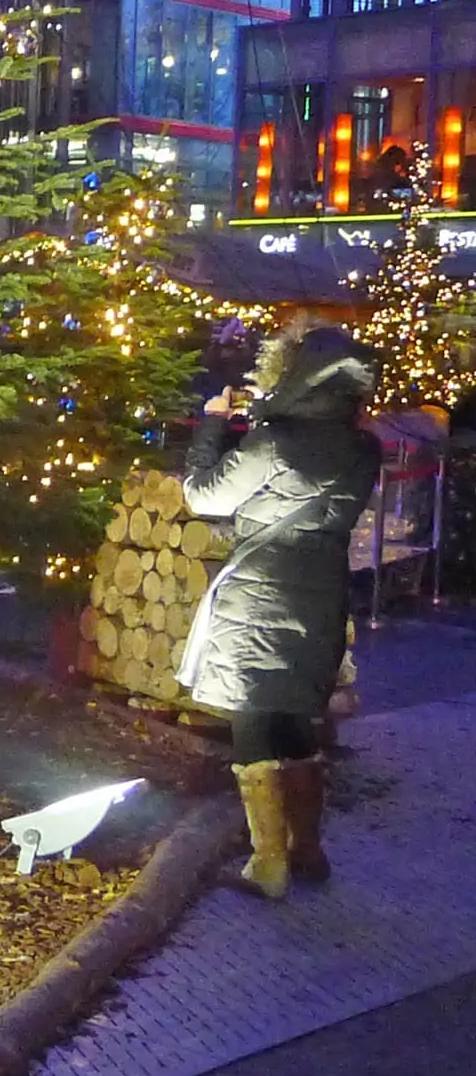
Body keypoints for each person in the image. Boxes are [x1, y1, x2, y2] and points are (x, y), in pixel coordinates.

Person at [177, 326, 383, 899]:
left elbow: (204, 496)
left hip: (260, 594)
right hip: (322, 594)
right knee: (298, 718)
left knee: (254, 718)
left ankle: (267, 864)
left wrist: (213, 425)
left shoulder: (273, 443)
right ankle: (309, 850)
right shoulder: (364, 447)